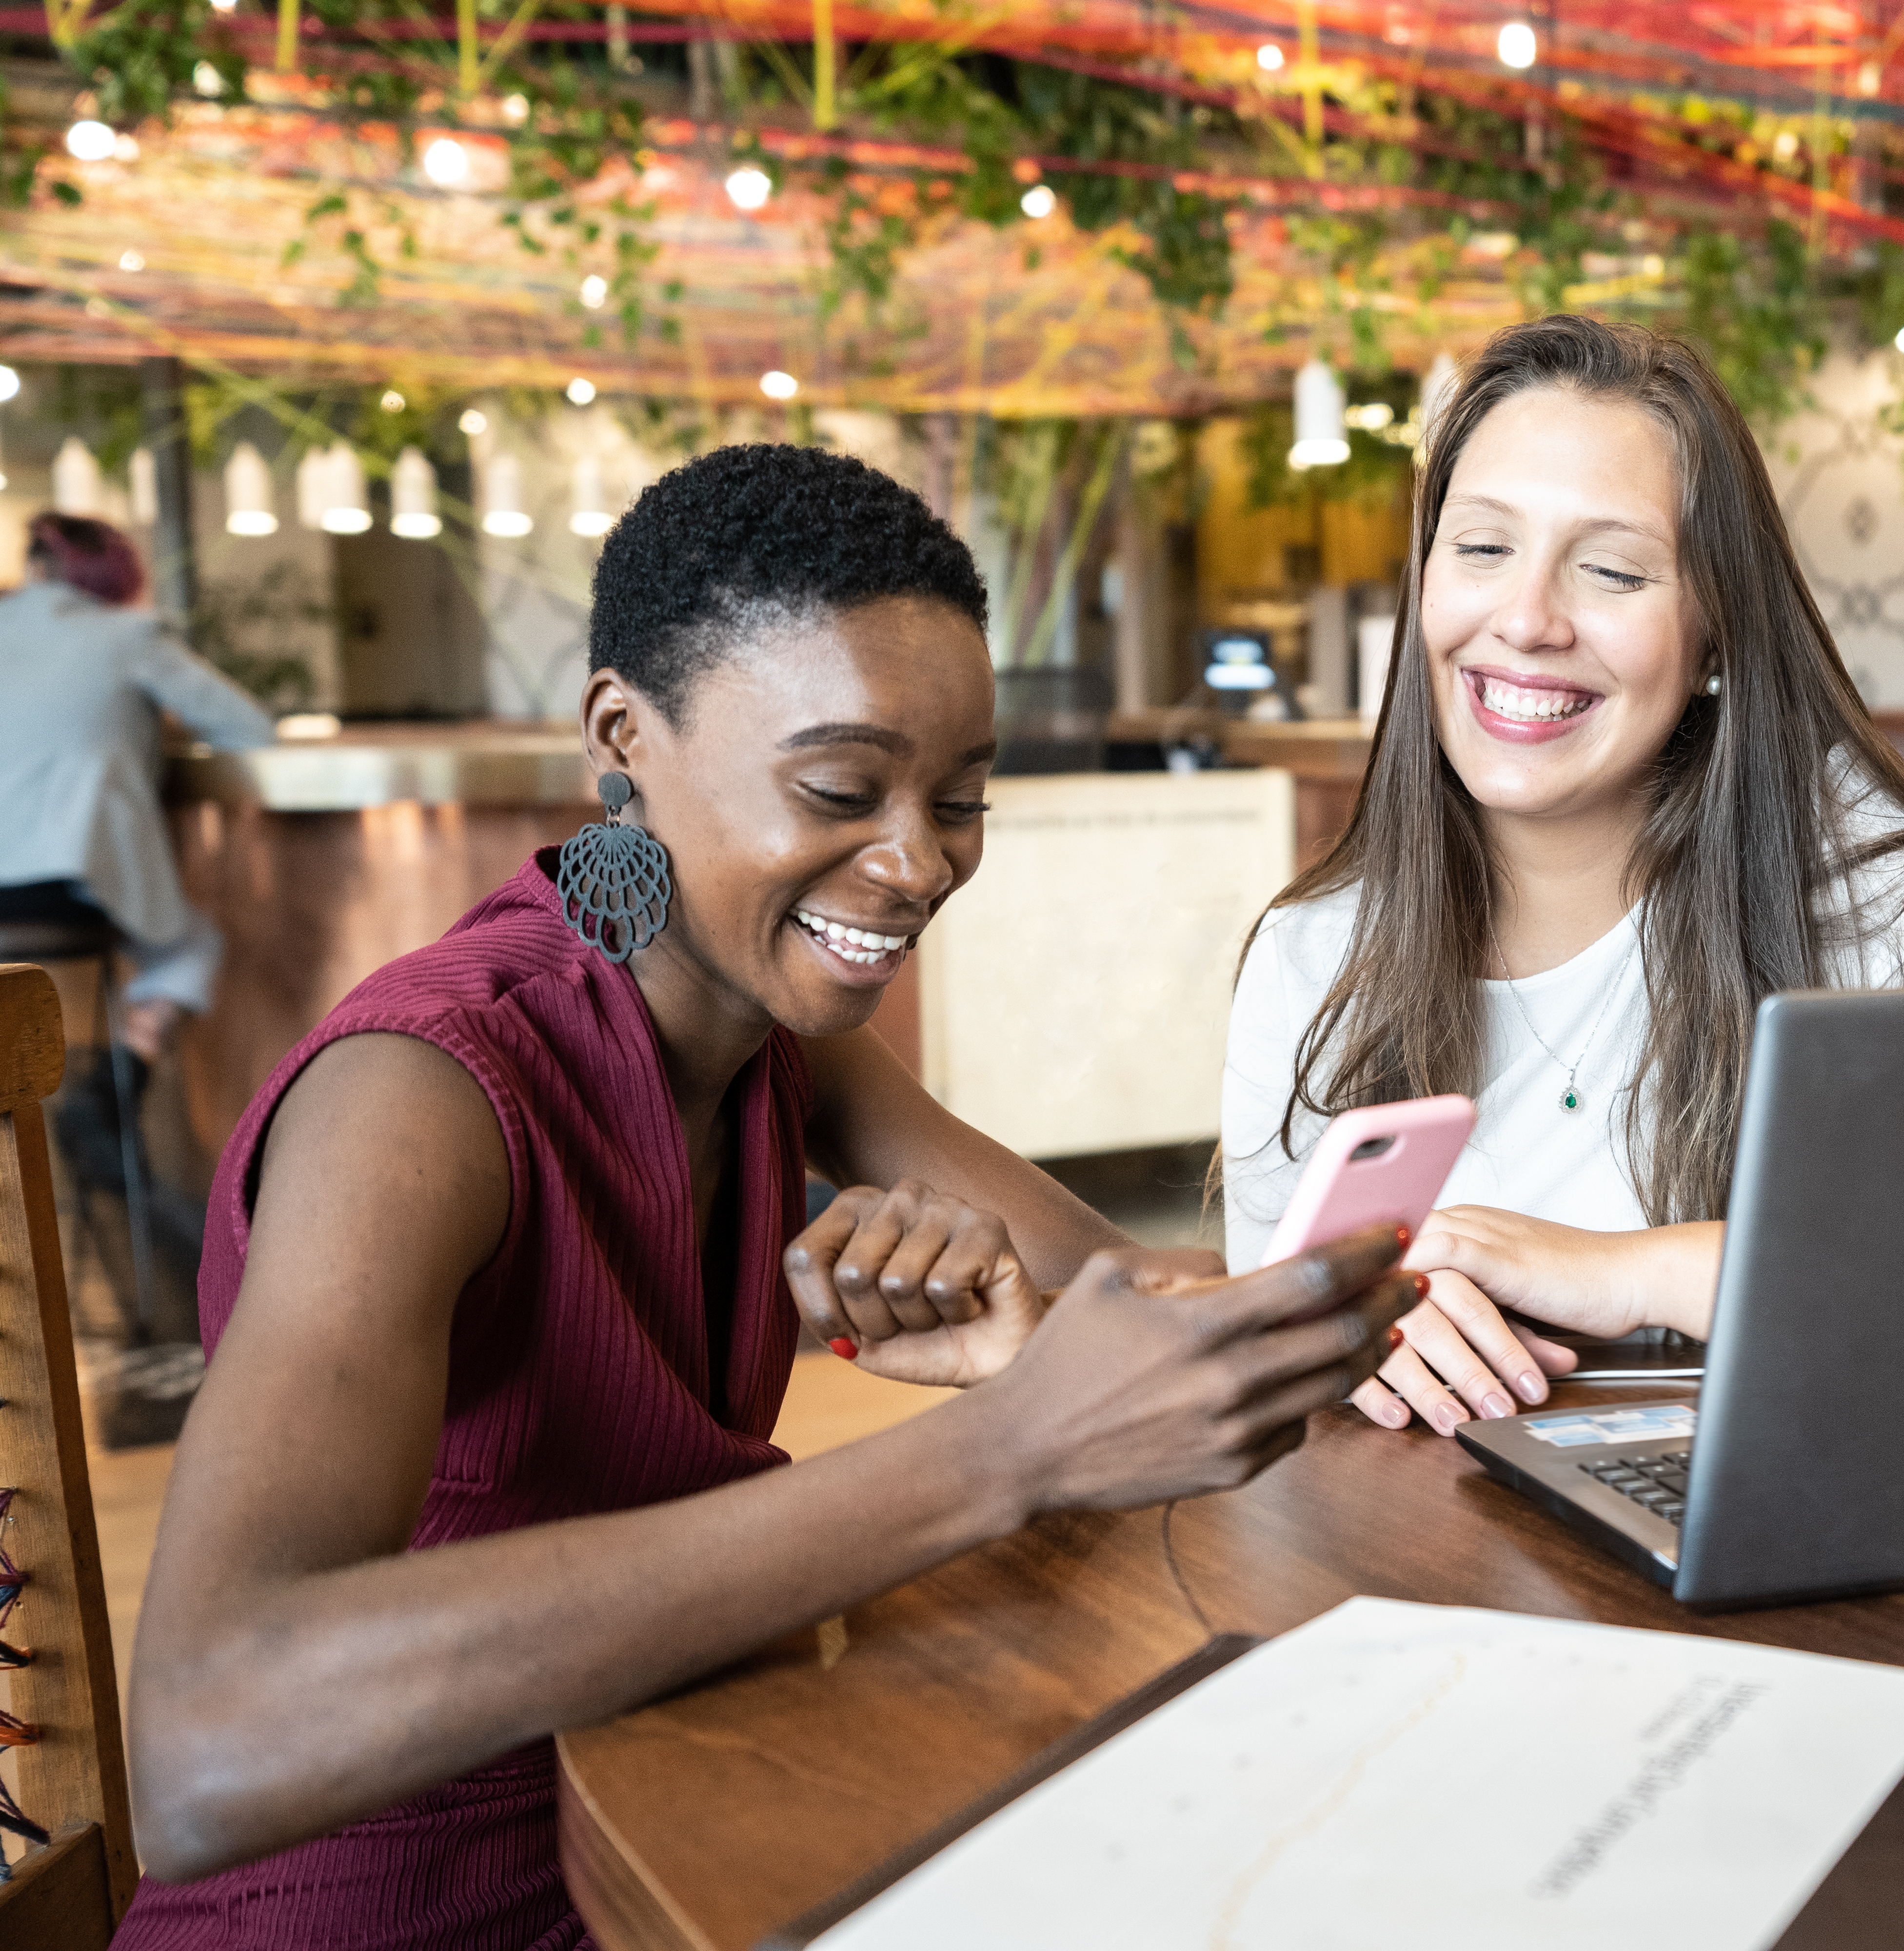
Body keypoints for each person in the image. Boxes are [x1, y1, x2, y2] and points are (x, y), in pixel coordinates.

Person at [114, 445, 1417, 1948]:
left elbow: (1168, 1308)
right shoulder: (419, 1096)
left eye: (964, 797)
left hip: (683, 1829)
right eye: (839, 788)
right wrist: (1005, 1450)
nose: (918, 859)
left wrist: (1030, 1349)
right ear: (624, 733)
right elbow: (213, 1736)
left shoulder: (779, 1037)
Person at [1221, 317, 1904, 1440]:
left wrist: (1637, 1273)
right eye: (1480, 549)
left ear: (1715, 632)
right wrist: (1345, 1341)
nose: (1525, 620)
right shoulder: (1317, 955)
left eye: (1611, 569)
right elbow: (1264, 1369)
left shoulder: (1889, 905)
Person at [0, 513, 274, 1058]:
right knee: (191, 948)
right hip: (60, 888)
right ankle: (120, 1068)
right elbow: (249, 727)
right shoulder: (128, 635)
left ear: (35, 567)